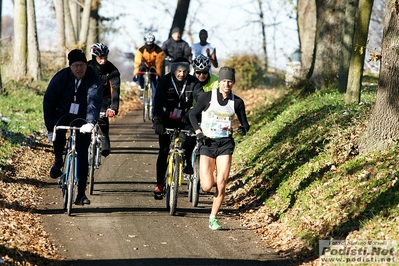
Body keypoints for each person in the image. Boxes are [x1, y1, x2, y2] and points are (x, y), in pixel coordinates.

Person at [189, 66, 250, 230]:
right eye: (224, 81)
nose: (226, 84)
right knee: (207, 186)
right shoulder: (207, 97)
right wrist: (198, 132)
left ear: (233, 83)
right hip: (207, 143)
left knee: (222, 183)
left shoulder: (237, 102)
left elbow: (245, 124)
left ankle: (213, 218)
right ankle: (197, 165)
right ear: (220, 82)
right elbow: (192, 114)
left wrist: (243, 129)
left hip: (225, 144)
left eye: (230, 81)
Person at [43, 49, 103, 205]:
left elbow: (93, 102)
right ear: (70, 66)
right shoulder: (60, 78)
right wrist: (50, 129)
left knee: (82, 153)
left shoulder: (93, 79)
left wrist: (90, 122)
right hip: (62, 114)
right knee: (59, 135)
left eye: (82, 65)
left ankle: (81, 194)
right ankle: (58, 161)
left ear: (86, 65)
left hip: (83, 117)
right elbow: (49, 103)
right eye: (76, 65)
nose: (79, 69)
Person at [152, 57, 203, 197]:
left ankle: (187, 161)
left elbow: (201, 98)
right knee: (163, 150)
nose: (182, 74)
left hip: (185, 117)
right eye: (179, 71)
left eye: (185, 71)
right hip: (166, 119)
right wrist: (157, 120)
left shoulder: (193, 82)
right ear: (174, 70)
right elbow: (158, 102)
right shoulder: (164, 81)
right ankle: (160, 184)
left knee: (192, 134)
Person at [88, 42, 121, 157]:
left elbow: (115, 90)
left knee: (102, 116)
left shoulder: (112, 70)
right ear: (94, 57)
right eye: (100, 58)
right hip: (87, 98)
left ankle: (105, 138)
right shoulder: (86, 68)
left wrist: (114, 108)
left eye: (105, 58)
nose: (103, 61)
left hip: (104, 99)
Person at [133, 33, 164, 100]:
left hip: (154, 66)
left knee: (154, 83)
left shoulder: (159, 50)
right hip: (145, 65)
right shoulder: (141, 49)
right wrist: (136, 73)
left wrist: (158, 74)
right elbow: (137, 61)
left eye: (151, 42)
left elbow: (159, 64)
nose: (149, 44)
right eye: (148, 42)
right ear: (145, 42)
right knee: (140, 72)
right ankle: (141, 88)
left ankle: (154, 100)